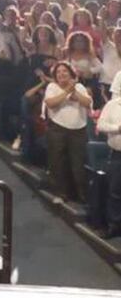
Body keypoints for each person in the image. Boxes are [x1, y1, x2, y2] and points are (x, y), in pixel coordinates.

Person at [42, 61, 92, 205]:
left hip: (78, 130)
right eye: (58, 72)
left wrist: (74, 91)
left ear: (71, 74)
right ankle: (61, 193)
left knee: (78, 164)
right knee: (58, 162)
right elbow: (50, 103)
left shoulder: (80, 87)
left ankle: (82, 195)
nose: (61, 74)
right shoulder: (52, 87)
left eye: (65, 71)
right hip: (57, 129)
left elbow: (88, 103)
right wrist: (66, 92)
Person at [94, 88, 121, 238]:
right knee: (115, 191)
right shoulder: (112, 105)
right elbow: (100, 125)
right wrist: (117, 128)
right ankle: (114, 225)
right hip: (118, 154)